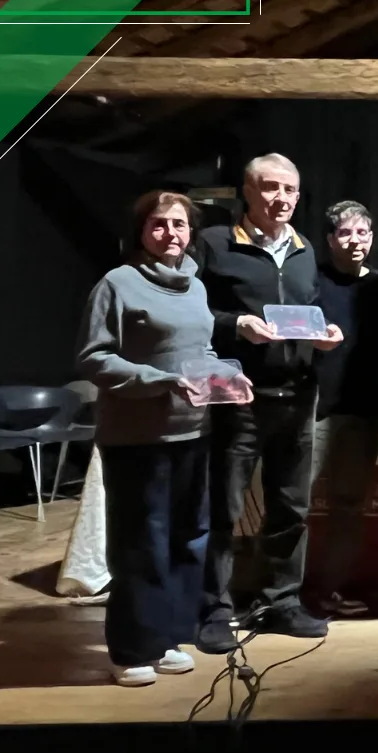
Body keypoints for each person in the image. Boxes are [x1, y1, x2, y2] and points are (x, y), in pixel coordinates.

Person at [77, 191, 251, 686]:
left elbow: (201, 350)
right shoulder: (118, 283)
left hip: (193, 431)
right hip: (137, 437)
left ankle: (168, 637)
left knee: (187, 541)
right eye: (158, 224)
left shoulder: (194, 285)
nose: (170, 233)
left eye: (179, 224)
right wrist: (162, 381)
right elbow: (94, 358)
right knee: (141, 545)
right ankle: (131, 649)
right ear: (141, 232)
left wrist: (226, 376)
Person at [194, 154, 342, 654]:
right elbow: (193, 311)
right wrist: (236, 325)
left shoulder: (303, 250)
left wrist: (323, 334)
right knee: (224, 508)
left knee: (291, 508)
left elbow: (307, 309)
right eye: (270, 188)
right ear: (248, 191)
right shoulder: (215, 243)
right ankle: (213, 610)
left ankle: (281, 601)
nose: (281, 199)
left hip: (297, 393)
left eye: (290, 190)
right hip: (237, 395)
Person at [308, 200, 378, 619]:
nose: (355, 240)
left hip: (363, 414)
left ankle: (329, 592)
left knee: (348, 506)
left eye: (362, 233)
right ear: (329, 239)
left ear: (372, 238)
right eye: (345, 232)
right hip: (315, 410)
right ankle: (280, 596)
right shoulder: (312, 281)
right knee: (294, 504)